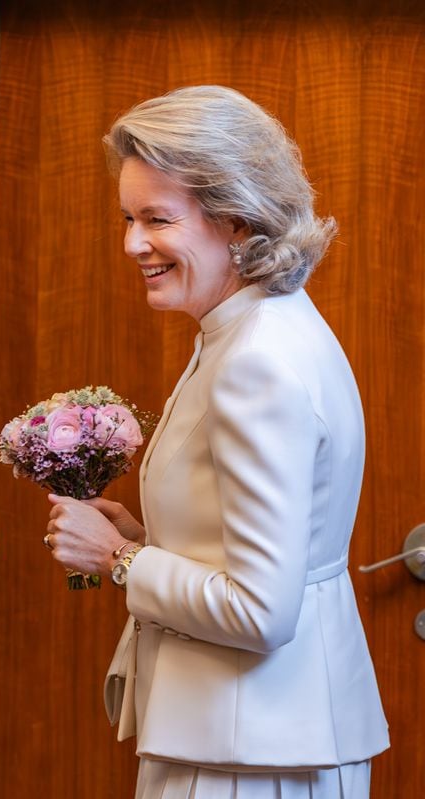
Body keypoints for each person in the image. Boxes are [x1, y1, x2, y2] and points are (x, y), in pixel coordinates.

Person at [45, 85, 389, 797]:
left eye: (157, 219)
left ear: (235, 219)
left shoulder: (256, 358)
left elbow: (261, 609)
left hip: (252, 754)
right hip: (250, 735)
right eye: (128, 218)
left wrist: (118, 558)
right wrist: (147, 533)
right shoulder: (256, 326)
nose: (133, 243)